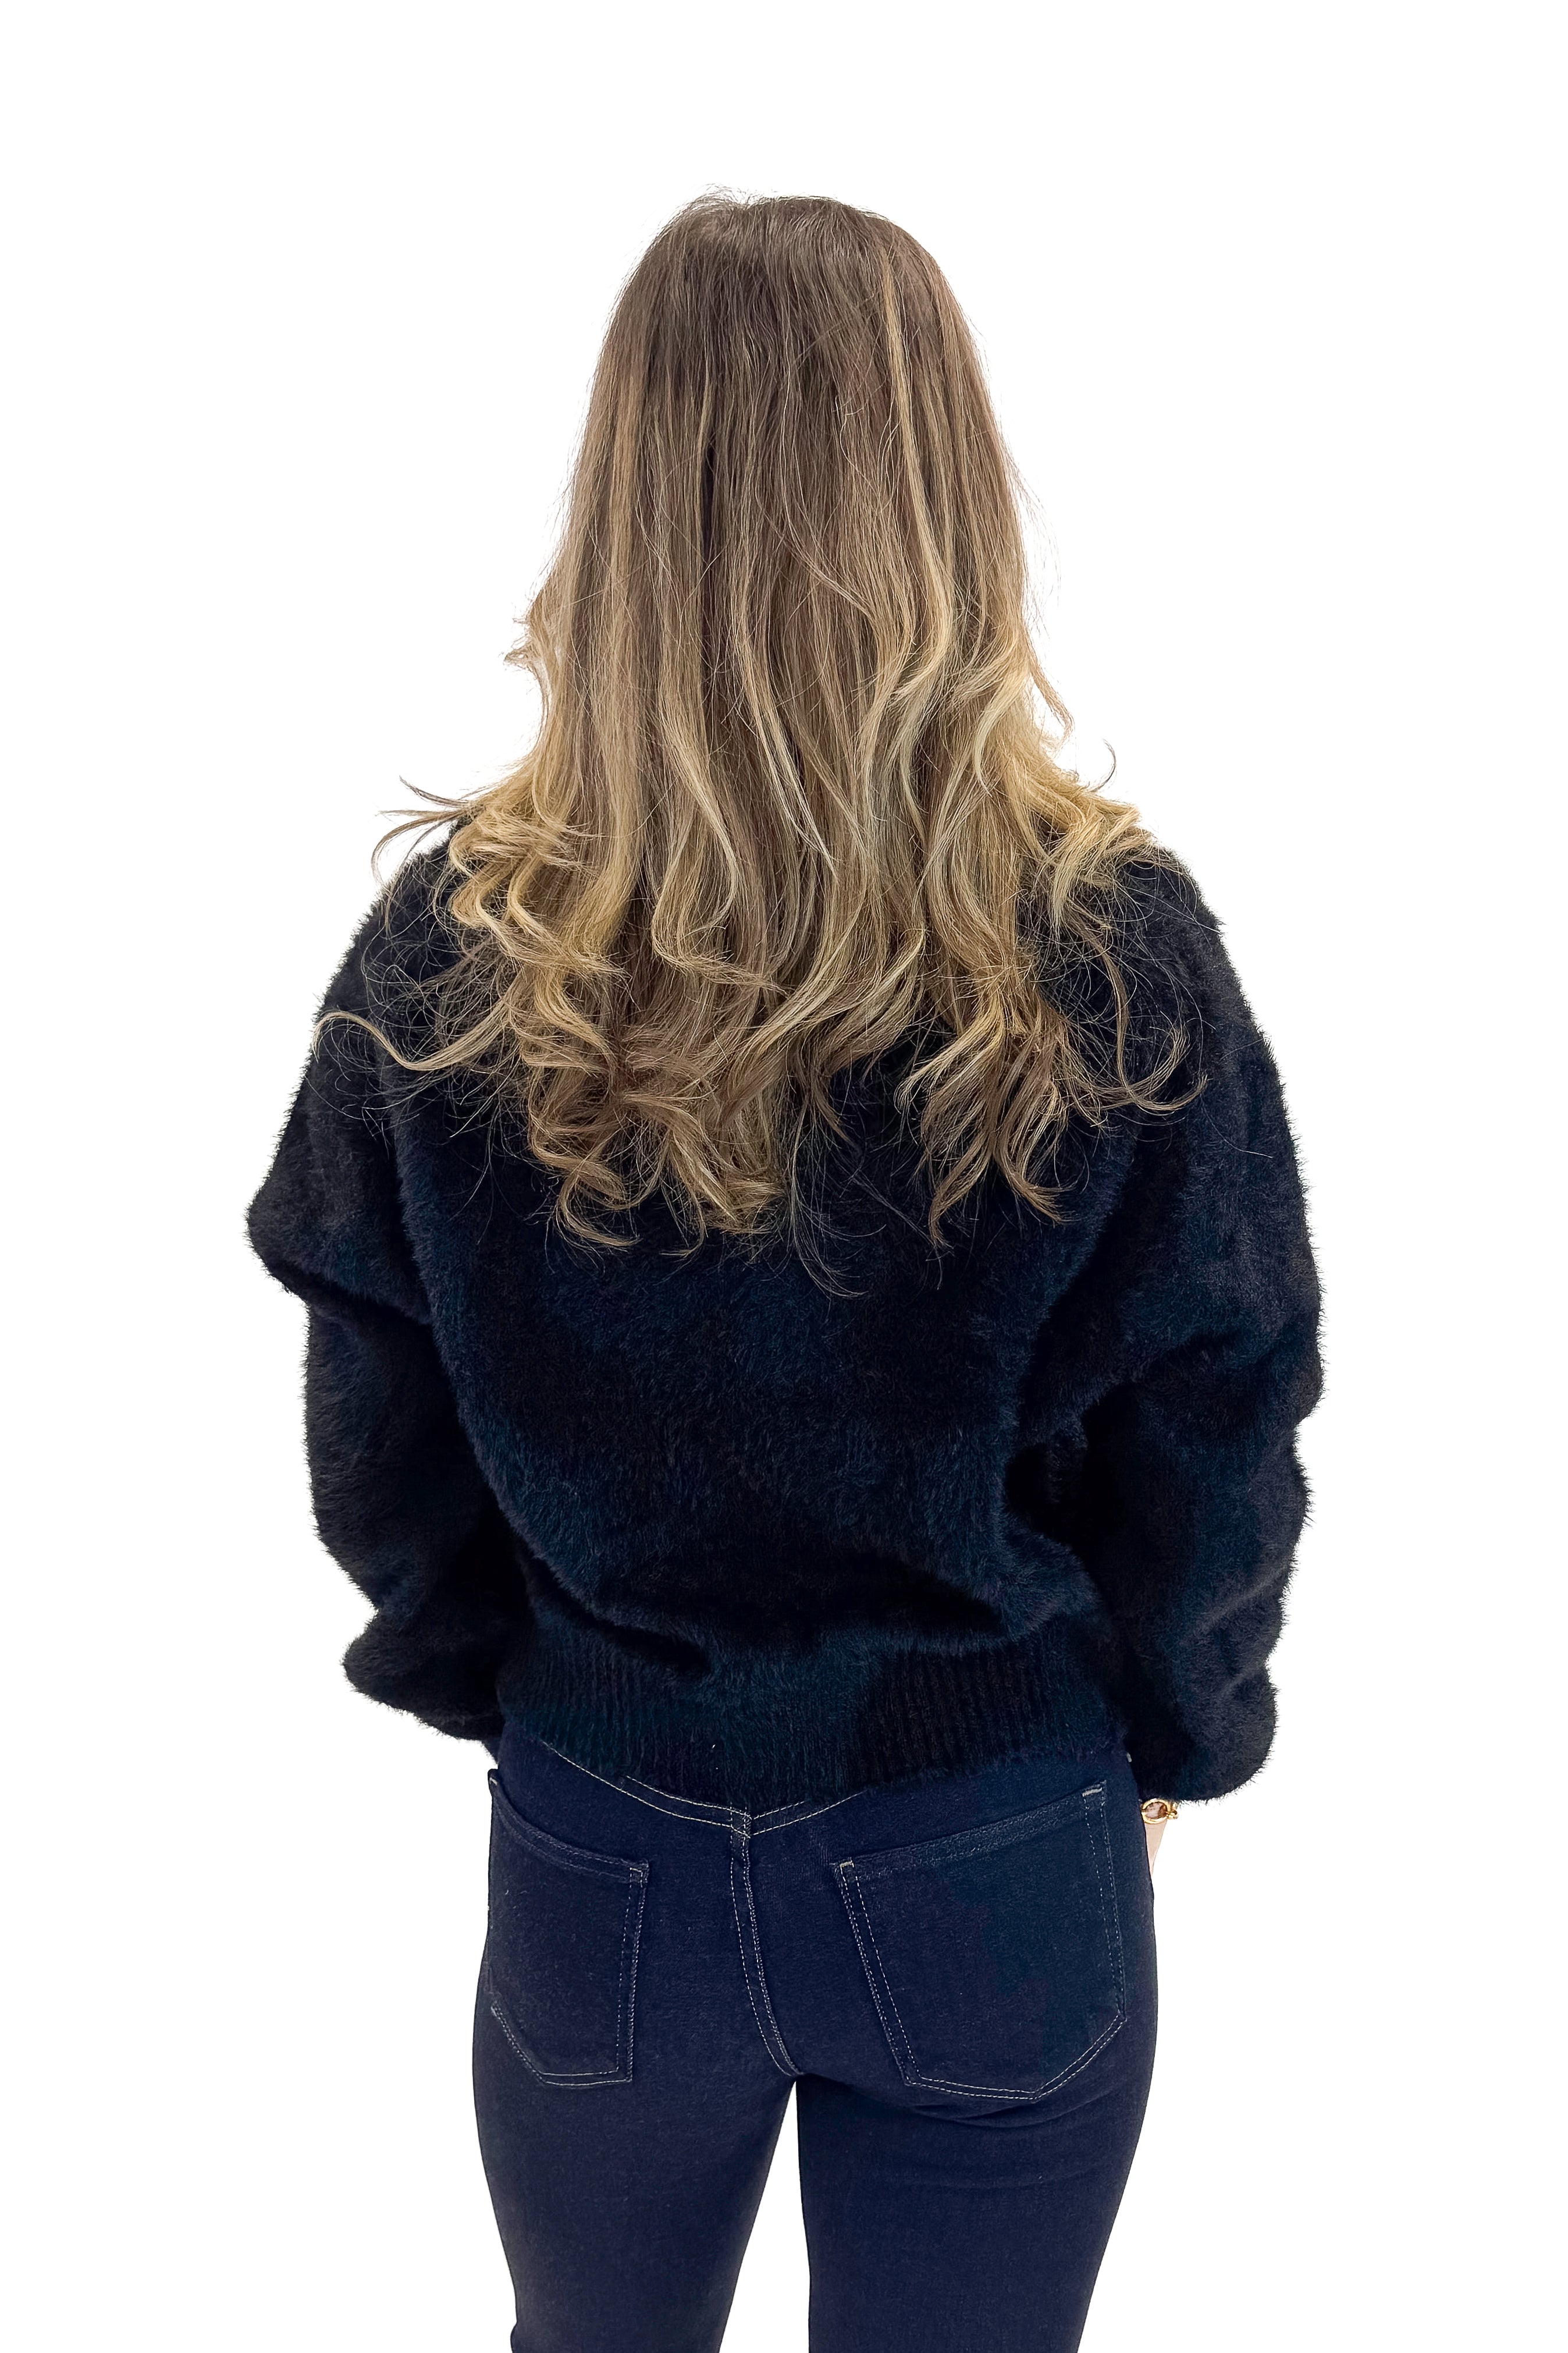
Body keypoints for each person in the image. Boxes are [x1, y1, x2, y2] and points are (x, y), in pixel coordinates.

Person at [248, 191, 1322, 2353]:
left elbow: (376, 1412)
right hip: (995, 1842)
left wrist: (526, 1688)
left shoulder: (447, 961)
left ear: (622, 504)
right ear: (949, 505)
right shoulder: (1114, 958)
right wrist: (1184, 1725)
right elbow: (1225, 1407)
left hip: (603, 1846)